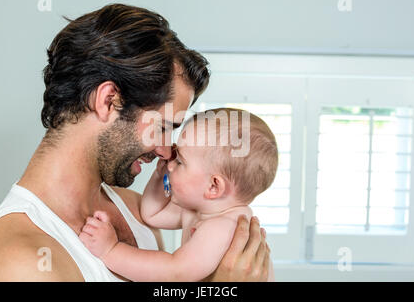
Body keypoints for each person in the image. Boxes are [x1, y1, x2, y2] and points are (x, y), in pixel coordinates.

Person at [0, 3, 271, 282]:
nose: (167, 150)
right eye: (163, 127)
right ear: (109, 100)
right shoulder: (22, 261)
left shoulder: (135, 210)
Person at [79, 108, 277, 281]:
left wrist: (111, 250)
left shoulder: (224, 228)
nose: (170, 164)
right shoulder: (200, 210)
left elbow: (173, 273)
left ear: (214, 186)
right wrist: (159, 175)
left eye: (180, 162)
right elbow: (152, 215)